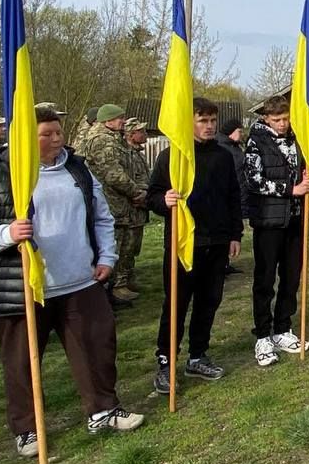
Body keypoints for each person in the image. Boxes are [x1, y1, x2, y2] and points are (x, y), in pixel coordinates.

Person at [0, 106, 143, 456]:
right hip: (23, 287)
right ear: (25, 138)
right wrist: (6, 233)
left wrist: (106, 256)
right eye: (46, 134)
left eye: (58, 132)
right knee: (21, 362)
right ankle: (27, 429)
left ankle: (103, 409)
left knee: (97, 347)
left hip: (79, 280)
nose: (56, 139)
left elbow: (101, 216)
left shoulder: (78, 170)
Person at [148, 98, 243, 390]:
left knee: (209, 301)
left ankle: (198, 355)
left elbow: (233, 196)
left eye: (213, 120)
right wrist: (164, 200)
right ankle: (166, 361)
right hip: (183, 243)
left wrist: (235, 234)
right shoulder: (172, 157)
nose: (209, 126)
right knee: (176, 304)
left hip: (217, 241)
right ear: (188, 122)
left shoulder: (223, 156)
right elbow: (153, 196)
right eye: (203, 120)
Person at [245, 96, 309, 363]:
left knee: (291, 276)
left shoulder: (298, 138)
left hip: (295, 219)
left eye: (286, 119)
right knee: (265, 280)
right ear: (266, 119)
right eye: (277, 120)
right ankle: (263, 335)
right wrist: (290, 189)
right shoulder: (256, 141)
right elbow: (254, 181)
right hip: (269, 220)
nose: (283, 124)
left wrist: (306, 179)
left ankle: (283, 327)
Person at [79, 104, 147, 307]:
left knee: (125, 246)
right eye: (119, 118)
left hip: (120, 204)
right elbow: (113, 174)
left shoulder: (113, 138)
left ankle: (119, 285)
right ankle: (110, 290)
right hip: (111, 204)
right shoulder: (102, 140)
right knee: (113, 247)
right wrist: (136, 192)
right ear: (107, 120)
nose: (123, 122)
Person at [118, 118, 150, 297]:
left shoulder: (138, 154)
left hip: (140, 208)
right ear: (130, 135)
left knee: (134, 247)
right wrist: (139, 194)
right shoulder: (126, 154)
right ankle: (120, 283)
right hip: (131, 207)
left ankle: (129, 278)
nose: (145, 134)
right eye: (140, 131)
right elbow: (127, 179)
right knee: (127, 248)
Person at [217, 117, 249, 272]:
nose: (241, 134)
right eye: (239, 131)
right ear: (231, 132)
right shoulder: (224, 149)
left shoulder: (235, 147)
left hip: (239, 193)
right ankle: (222, 263)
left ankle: (225, 262)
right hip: (228, 195)